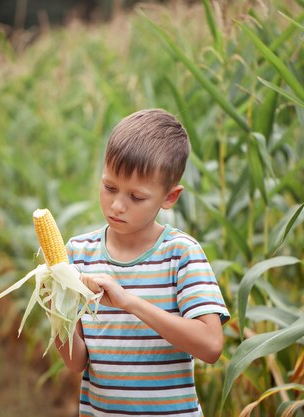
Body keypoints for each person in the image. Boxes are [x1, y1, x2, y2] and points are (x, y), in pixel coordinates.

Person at [56, 108, 230, 417]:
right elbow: (76, 362)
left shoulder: (180, 254)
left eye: (136, 197)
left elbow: (211, 345)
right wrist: (57, 315)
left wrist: (129, 303)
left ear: (170, 197)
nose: (117, 205)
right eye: (109, 187)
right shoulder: (78, 253)